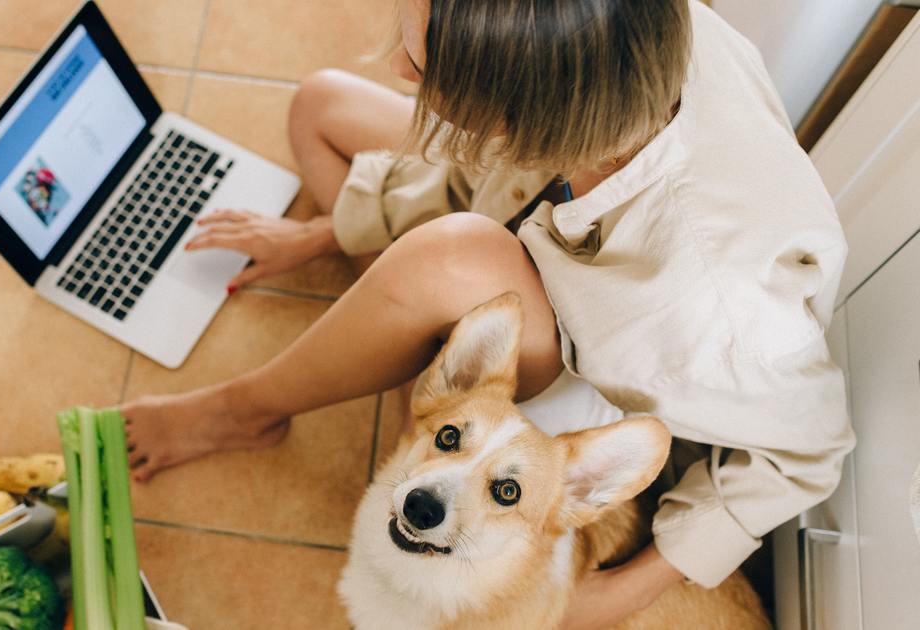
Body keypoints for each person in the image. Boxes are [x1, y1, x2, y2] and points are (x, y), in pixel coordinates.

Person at [121, 1, 853, 627]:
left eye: (424, 65)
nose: (403, 74)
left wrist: (614, 595)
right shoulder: (616, 43)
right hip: (523, 229)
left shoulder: (717, 310)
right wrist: (330, 229)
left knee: (452, 257)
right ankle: (403, 315)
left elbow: (808, 454)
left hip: (589, 360)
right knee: (320, 106)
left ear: (514, 114)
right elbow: (506, 179)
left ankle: (245, 409)